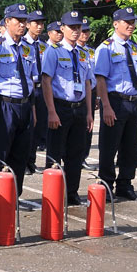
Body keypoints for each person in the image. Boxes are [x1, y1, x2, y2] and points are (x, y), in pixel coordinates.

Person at [0, 4, 36, 209]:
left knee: (20, 154)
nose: (23, 25)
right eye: (18, 21)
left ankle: (14, 196)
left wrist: (32, 111)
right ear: (7, 22)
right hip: (4, 105)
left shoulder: (29, 48)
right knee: (0, 153)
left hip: (24, 105)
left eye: (24, 21)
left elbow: (31, 81)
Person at [94, 7, 137, 201]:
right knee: (109, 146)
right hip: (115, 101)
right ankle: (106, 184)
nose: (131, 26)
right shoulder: (106, 48)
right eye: (127, 22)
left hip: (133, 102)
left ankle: (125, 184)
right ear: (116, 24)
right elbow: (101, 80)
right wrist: (106, 106)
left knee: (131, 147)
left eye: (133, 22)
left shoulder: (136, 48)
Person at [41, 11, 93, 206]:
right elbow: (46, 81)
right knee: (55, 152)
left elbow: (87, 82)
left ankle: (71, 193)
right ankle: (53, 194)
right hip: (60, 107)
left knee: (75, 153)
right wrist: (51, 111)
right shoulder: (53, 51)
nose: (75, 31)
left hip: (79, 107)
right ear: (62, 28)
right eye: (72, 27)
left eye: (78, 27)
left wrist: (88, 112)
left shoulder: (83, 53)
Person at [24, 9, 47, 175]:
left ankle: (31, 162)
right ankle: (23, 162)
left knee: (39, 127)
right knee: (28, 126)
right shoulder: (23, 45)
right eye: (36, 23)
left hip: (43, 89)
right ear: (27, 25)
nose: (39, 26)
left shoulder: (44, 46)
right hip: (29, 90)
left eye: (41, 23)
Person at [77, 18, 98, 171]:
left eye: (87, 31)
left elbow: (94, 76)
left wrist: (96, 97)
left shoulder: (91, 51)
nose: (85, 34)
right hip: (75, 93)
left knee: (88, 126)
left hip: (90, 92)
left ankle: (83, 156)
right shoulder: (68, 50)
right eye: (82, 31)